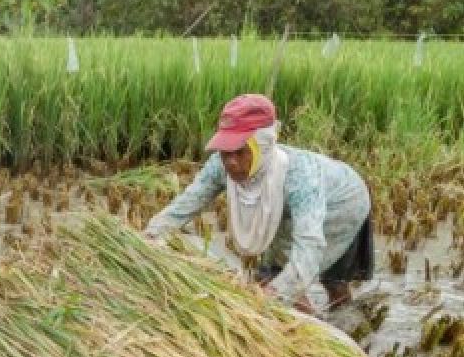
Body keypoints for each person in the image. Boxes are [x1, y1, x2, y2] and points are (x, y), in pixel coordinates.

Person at [145, 94, 373, 312]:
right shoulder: (220, 164)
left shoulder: (300, 178)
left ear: (262, 146)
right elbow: (189, 201)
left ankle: (326, 329)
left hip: (345, 201)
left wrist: (273, 295)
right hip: (297, 206)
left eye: (240, 152)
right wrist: (150, 235)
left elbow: (309, 248)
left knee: (305, 278)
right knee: (274, 275)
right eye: (225, 152)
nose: (231, 162)